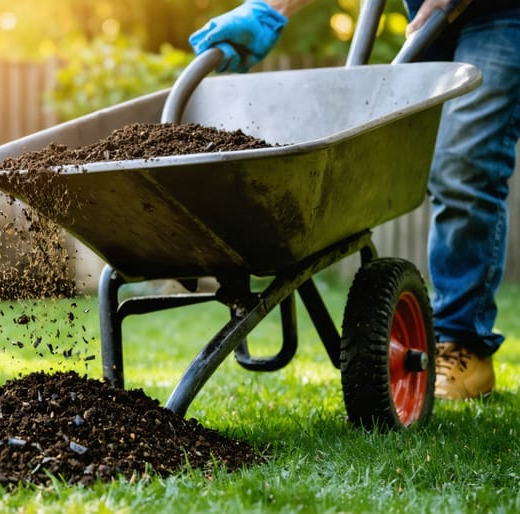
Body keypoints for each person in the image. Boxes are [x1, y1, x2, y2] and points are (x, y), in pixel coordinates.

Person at [189, 0, 519, 400]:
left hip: (503, 12)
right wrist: (265, 10)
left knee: (462, 167)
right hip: (429, 12)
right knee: (419, 154)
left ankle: (463, 342)